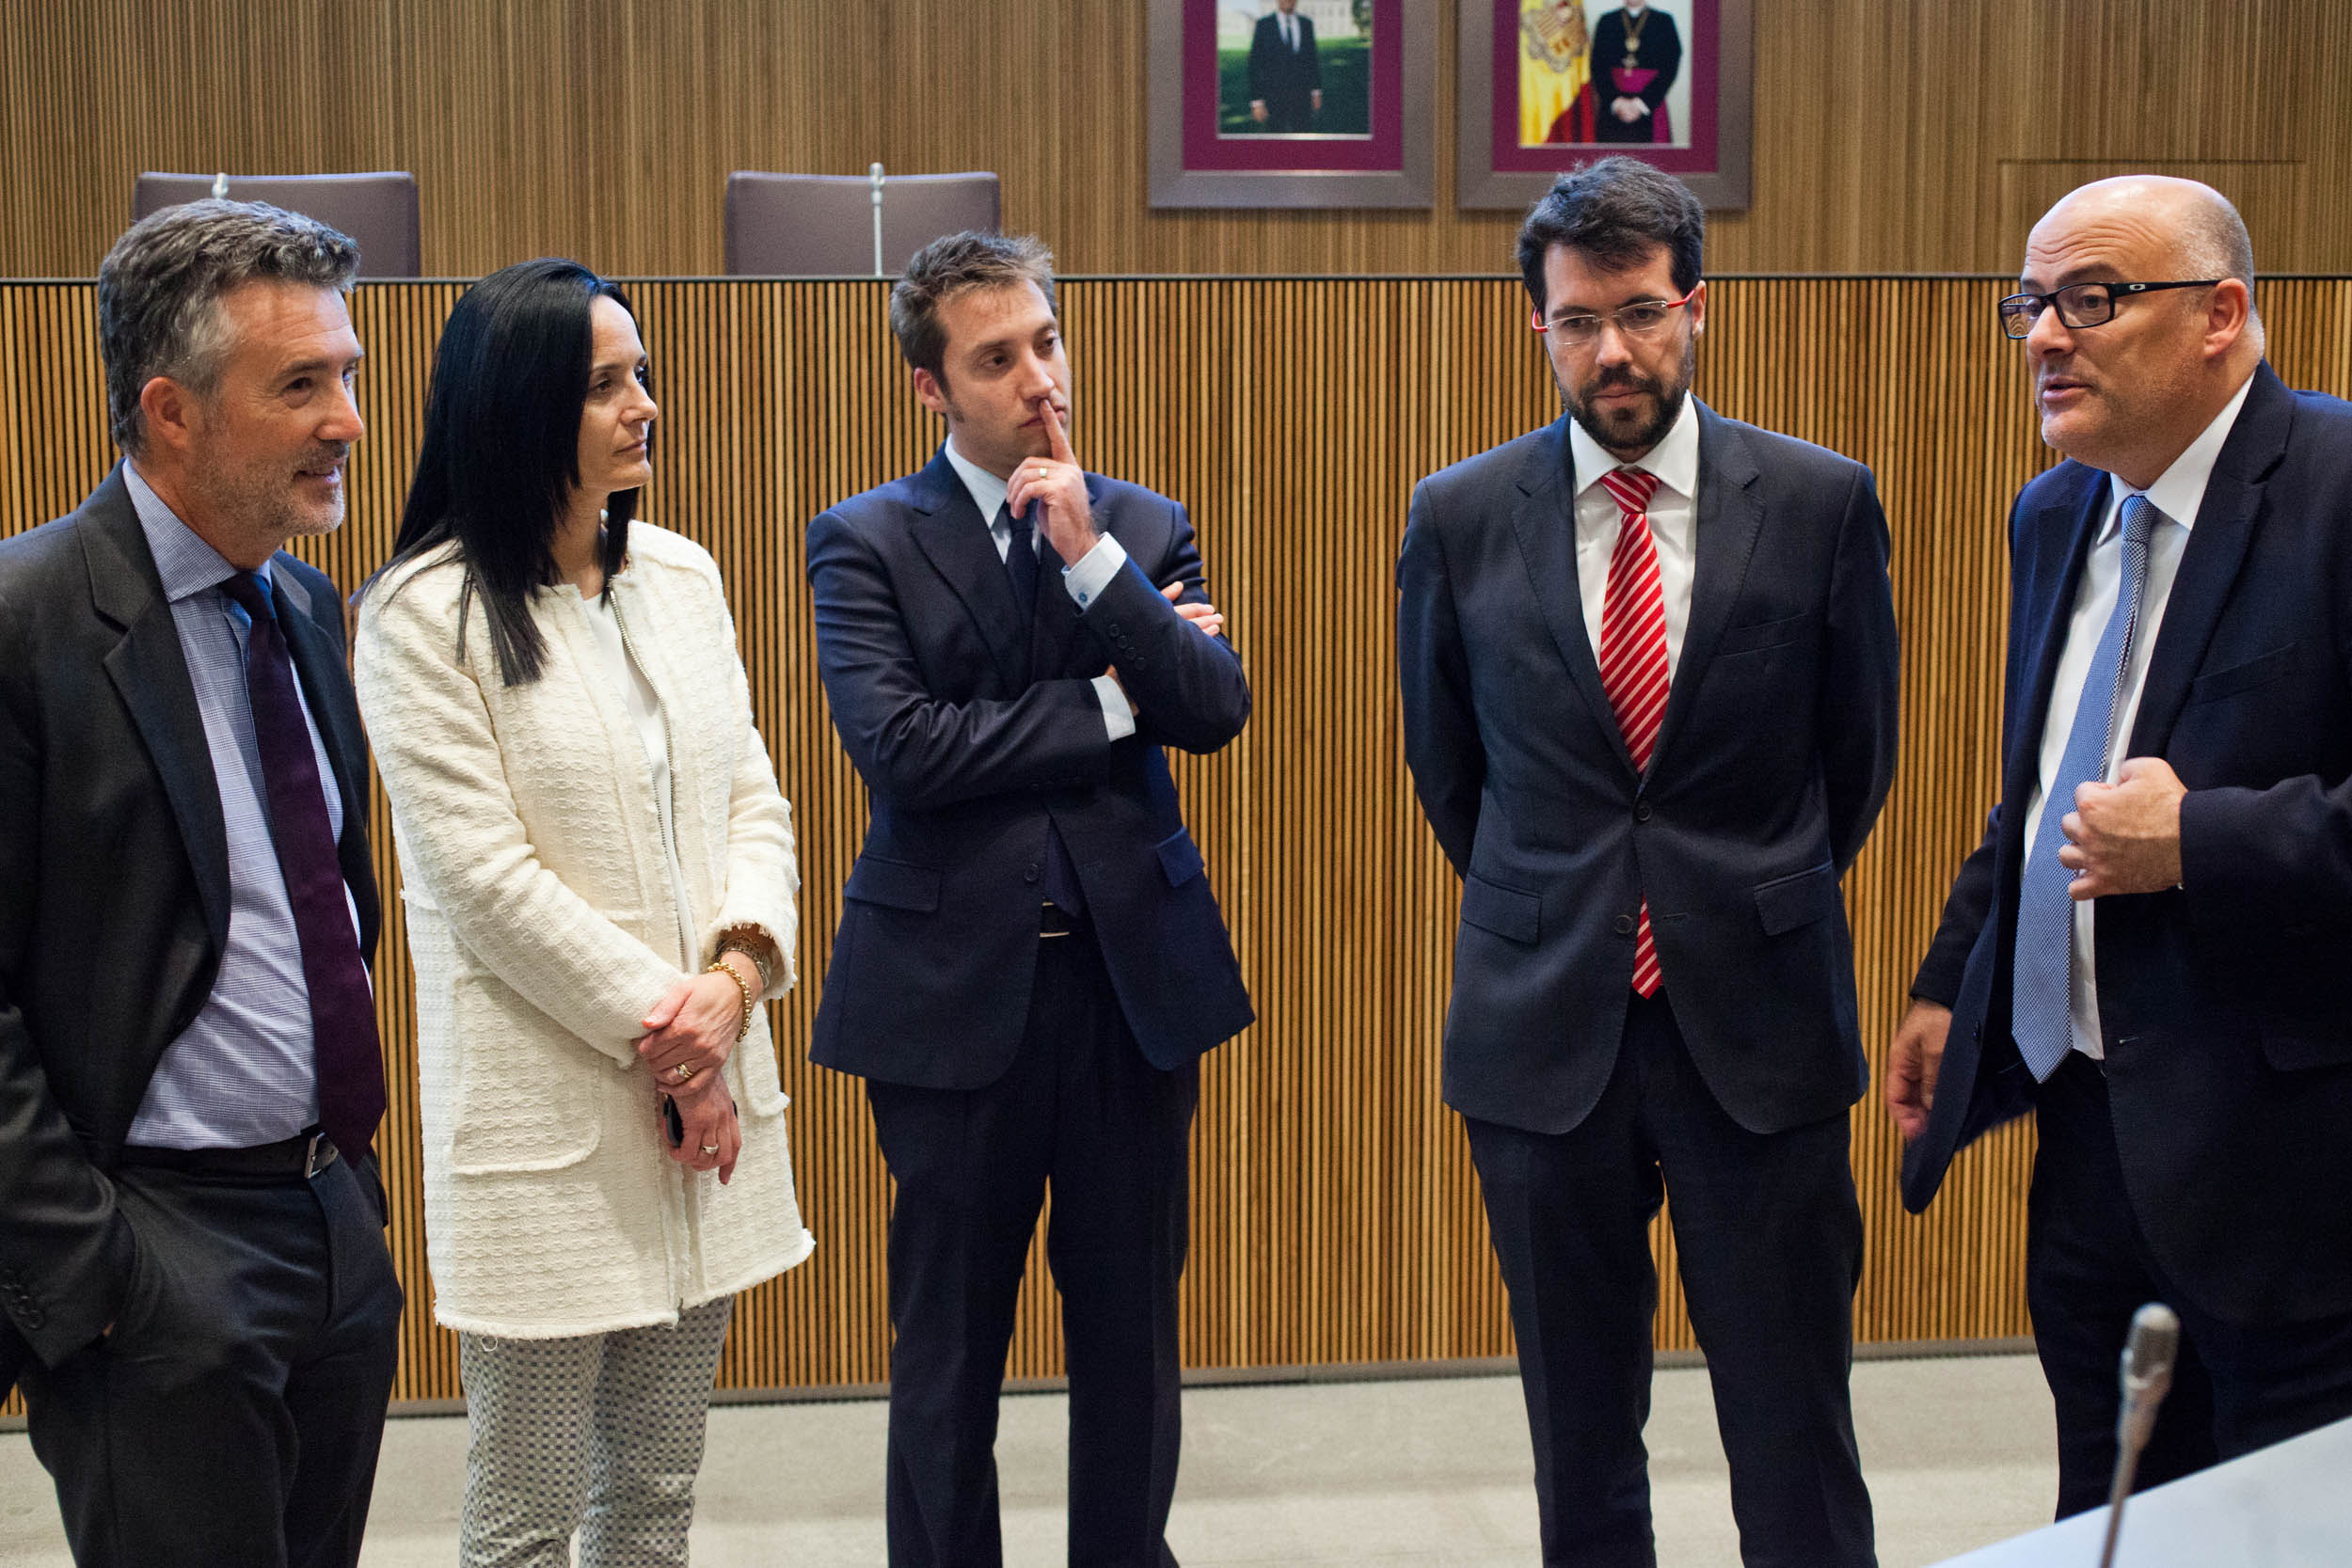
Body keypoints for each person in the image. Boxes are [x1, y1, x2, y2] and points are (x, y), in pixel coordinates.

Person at [1397, 156, 1896, 1568]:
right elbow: (1450, 771)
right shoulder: (1458, 514)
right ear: (1539, 327)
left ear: (1695, 307)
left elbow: (1855, 759)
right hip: (1544, 1029)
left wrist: (1733, 897)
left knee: (1794, 1431)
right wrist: (1576, 899)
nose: (1610, 349)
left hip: (1761, 1024)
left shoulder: (1820, 500)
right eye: (1577, 320)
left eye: (1638, 312)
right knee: (1580, 1439)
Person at [1887, 176, 2352, 1516]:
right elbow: (2041, 792)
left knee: (2282, 1528)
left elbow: (2162, 823)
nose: (2045, 334)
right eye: (2032, 303)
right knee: (2110, 1514)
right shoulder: (2057, 514)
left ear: (2220, 314)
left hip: (2293, 1168)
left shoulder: (2334, 485)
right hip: (2091, 1136)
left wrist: (2199, 835)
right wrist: (1952, 978)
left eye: (2091, 299)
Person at [353, 258, 814, 1566]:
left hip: (701, 1112)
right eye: (606, 383)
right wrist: (683, 1041)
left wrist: (736, 979)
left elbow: (752, 800)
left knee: (654, 1494)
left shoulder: (680, 574)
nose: (643, 404)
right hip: (552, 1123)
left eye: (641, 374)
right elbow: (482, 881)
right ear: (519, 406)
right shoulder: (421, 614)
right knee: (527, 1515)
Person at [805, 230, 1252, 1568]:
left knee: (1132, 1333)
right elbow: (906, 749)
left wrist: (1096, 565)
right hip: (949, 999)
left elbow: (1212, 706)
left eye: (1046, 343)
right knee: (948, 1345)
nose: (1037, 379)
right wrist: (1111, 703)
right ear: (932, 387)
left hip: (1129, 993)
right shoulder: (864, 539)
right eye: (996, 358)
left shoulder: (1142, 524)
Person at [0, 199, 403, 1566]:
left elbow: (323, 906)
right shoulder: (27, 621)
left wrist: (353, 1207)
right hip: (159, 1252)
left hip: (330, 1226)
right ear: (169, 412)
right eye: (300, 385)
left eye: (346, 373)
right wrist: (95, 1269)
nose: (347, 419)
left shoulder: (305, 605)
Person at [1588, 2, 1680, 144]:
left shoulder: (1663, 21)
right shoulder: (1607, 21)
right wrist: (1616, 102)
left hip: (1650, 104)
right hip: (1613, 106)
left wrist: (1641, 104)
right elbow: (1598, 66)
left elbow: (1669, 68)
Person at [1248, 0, 1322, 133]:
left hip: (1302, 98)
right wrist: (1257, 102)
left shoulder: (1306, 24)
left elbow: (1312, 60)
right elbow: (1255, 64)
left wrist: (1316, 92)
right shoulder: (1264, 25)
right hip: (1273, 99)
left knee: (1303, 137)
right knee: (1276, 139)